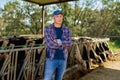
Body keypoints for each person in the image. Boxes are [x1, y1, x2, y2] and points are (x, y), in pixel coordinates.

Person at [44, 9, 72, 80]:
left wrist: (58, 41)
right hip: (51, 59)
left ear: (62, 18)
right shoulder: (48, 29)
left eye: (60, 16)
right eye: (57, 16)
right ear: (53, 17)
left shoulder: (67, 29)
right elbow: (50, 44)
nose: (59, 18)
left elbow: (69, 43)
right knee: (47, 78)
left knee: (59, 78)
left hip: (63, 59)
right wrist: (63, 44)